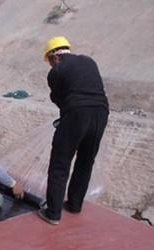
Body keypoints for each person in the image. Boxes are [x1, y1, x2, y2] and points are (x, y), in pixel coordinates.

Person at [38, 36, 109, 225]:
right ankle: (75, 205)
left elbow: (60, 100)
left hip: (77, 113)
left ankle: (53, 213)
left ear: (54, 57)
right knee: (86, 161)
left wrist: (67, 122)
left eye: (49, 61)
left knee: (60, 163)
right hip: (101, 113)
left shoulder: (56, 72)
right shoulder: (88, 61)